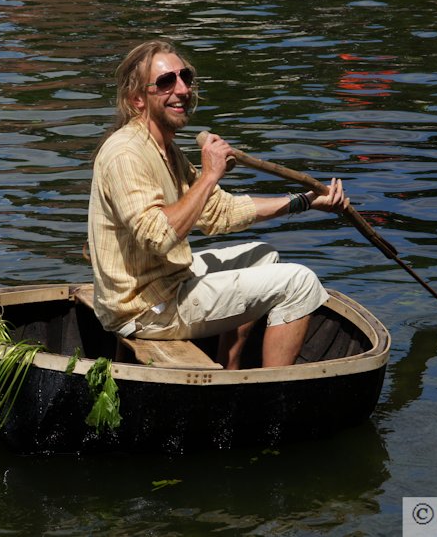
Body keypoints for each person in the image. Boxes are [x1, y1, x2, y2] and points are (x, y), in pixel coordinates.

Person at [87, 39, 348, 369]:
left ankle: (230, 371)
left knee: (264, 256)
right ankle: (268, 395)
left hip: (164, 282)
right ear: (138, 100)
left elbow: (218, 212)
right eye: (167, 82)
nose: (182, 90)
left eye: (186, 77)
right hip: (143, 308)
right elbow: (158, 236)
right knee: (300, 282)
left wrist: (304, 202)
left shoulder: (165, 149)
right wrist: (210, 174)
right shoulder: (126, 154)